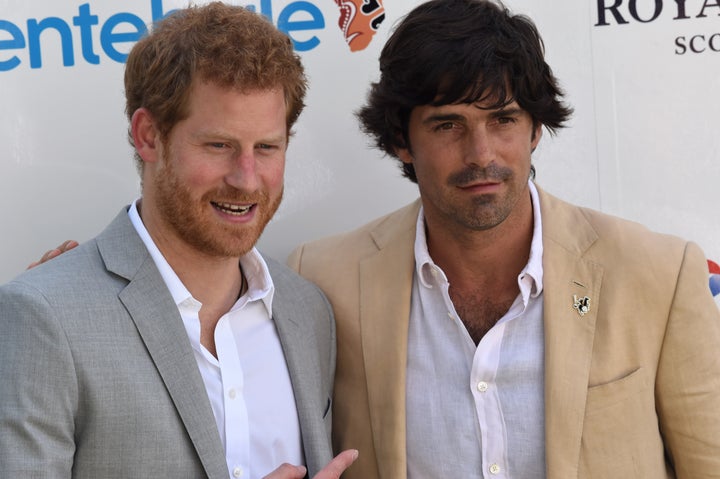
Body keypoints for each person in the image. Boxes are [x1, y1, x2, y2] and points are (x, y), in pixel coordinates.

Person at [287, 0, 720, 477]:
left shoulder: (658, 273)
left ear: (535, 129)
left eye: (503, 119)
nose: (481, 154)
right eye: (448, 124)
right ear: (401, 140)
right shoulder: (323, 280)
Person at [0, 3, 357, 479]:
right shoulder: (44, 317)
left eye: (267, 147)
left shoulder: (307, 311)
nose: (247, 180)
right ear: (149, 136)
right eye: (219, 145)